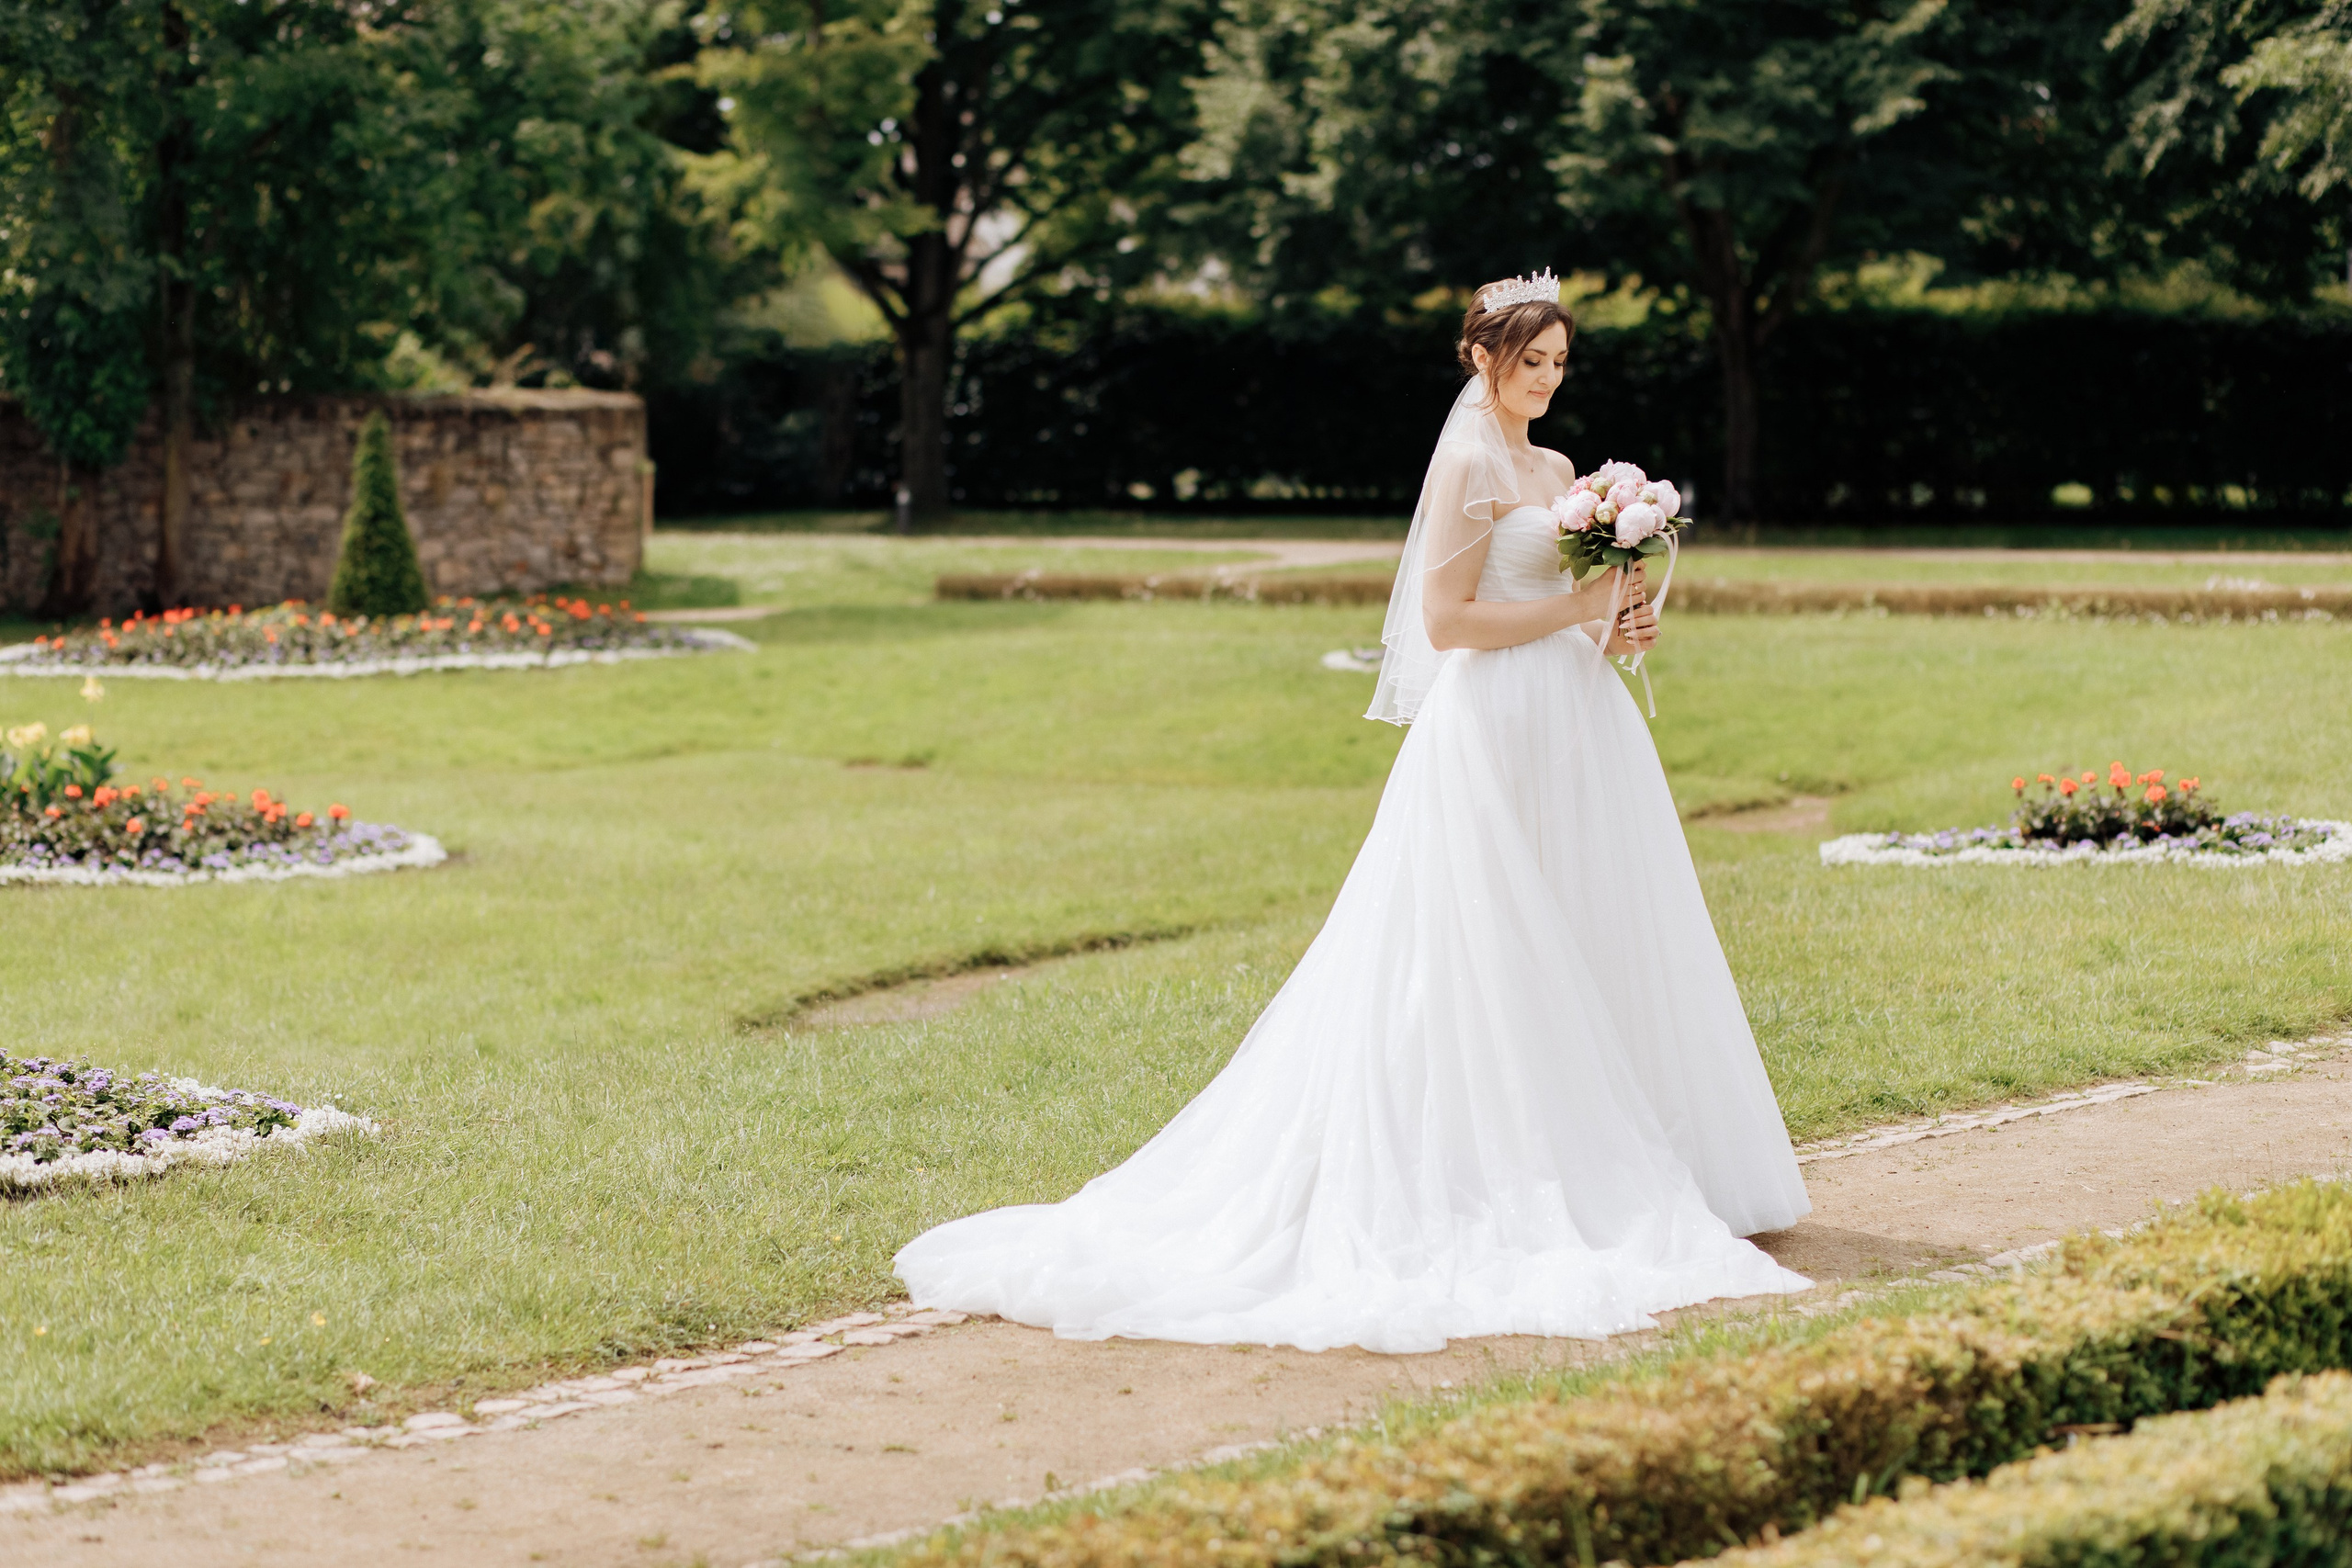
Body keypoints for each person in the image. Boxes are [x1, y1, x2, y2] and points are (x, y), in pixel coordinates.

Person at [895, 270, 1812, 1352]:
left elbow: (1570, 617)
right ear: (1482, 359)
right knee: (1478, 949)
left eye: (1559, 364)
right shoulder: (1466, 463)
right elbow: (1451, 622)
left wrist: (1617, 626)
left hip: (1577, 723)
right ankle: (1482, 1165)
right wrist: (1575, 603)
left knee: (1589, 925)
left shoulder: (1563, 470)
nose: (1547, 381)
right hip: (1490, 732)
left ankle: (1624, 1153)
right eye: (1531, 363)